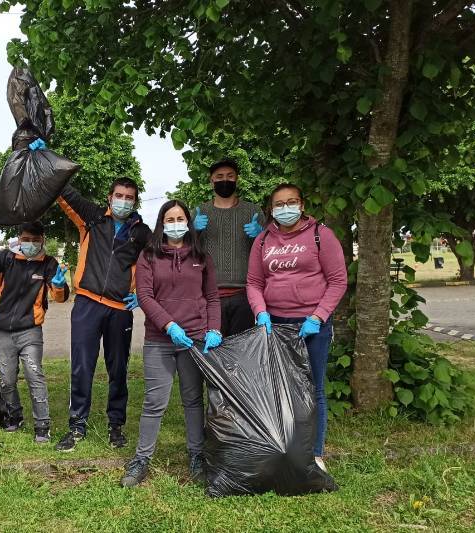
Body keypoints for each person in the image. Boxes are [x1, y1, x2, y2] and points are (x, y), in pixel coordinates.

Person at [245, 183, 347, 473]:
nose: (285, 208)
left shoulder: (320, 236)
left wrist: (319, 316)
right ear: (271, 209)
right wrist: (261, 312)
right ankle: (287, 451)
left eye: (291, 202)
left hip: (312, 326)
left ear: (302, 205)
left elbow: (338, 281)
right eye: (279, 204)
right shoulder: (263, 240)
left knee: (313, 389)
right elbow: (254, 282)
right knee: (281, 390)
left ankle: (315, 455)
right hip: (275, 325)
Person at [120, 200, 222, 488]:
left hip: (195, 340)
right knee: (155, 402)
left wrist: (213, 328)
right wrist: (169, 325)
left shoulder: (201, 255)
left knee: (193, 400)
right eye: (170, 218)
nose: (176, 223)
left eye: (180, 218)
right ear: (162, 223)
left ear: (188, 222)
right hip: (159, 340)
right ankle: (142, 459)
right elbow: (146, 296)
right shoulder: (149, 255)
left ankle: (197, 455)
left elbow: (212, 297)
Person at [54, 178, 152, 452]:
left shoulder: (142, 233)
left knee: (118, 368)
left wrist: (142, 295)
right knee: (82, 366)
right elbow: (64, 191)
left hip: (120, 309)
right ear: (109, 197)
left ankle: (116, 426)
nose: (123, 201)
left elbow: (157, 263)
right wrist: (43, 157)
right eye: (119, 195)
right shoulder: (93, 218)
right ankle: (76, 425)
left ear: (135, 202)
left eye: (129, 197)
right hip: (87, 302)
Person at [0, 220, 69, 443]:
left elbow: (59, 296)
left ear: (43, 241)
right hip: (1, 331)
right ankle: (14, 415)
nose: (30, 244)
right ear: (19, 239)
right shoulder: (6, 258)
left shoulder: (48, 264)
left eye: (35, 240)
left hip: (30, 331)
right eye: (26, 240)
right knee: (6, 380)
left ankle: (42, 425)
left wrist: (59, 286)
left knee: (34, 375)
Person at [193, 158, 266, 336]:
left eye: (230, 176)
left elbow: (269, 252)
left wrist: (261, 235)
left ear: (237, 179)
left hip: (244, 295)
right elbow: (187, 251)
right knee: (213, 352)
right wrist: (192, 232)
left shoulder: (253, 211)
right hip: (209, 295)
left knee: (240, 352)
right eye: (219, 176)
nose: (224, 180)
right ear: (211, 181)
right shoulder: (199, 211)